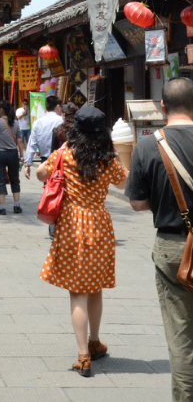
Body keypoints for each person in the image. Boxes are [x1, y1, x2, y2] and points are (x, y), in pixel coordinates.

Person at [126, 77, 193, 402]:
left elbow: (137, 203)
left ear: (163, 107)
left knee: (182, 337)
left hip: (173, 247)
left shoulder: (149, 145)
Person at [37, 105, 127, 377]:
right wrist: (118, 153)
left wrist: (61, 154)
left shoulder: (64, 154)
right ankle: (95, 342)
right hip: (99, 223)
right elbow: (124, 183)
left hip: (71, 224)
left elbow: (41, 173)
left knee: (77, 292)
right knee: (95, 286)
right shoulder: (107, 159)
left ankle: (83, 355)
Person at [23, 96, 64, 179]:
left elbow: (32, 144)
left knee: (48, 185)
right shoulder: (62, 121)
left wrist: (27, 164)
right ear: (57, 106)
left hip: (45, 162)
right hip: (61, 161)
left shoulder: (38, 122)